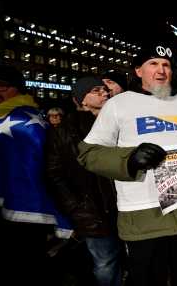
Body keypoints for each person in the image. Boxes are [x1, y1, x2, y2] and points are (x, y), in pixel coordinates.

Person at [77, 41, 177, 286]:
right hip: (142, 213)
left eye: (166, 65)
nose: (161, 70)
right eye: (153, 64)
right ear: (138, 71)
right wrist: (128, 160)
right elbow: (88, 153)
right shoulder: (118, 104)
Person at [45, 76, 122, 286]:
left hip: (123, 207)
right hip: (92, 212)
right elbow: (54, 175)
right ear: (81, 99)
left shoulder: (119, 122)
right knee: (105, 263)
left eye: (104, 89)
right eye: (96, 90)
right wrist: (76, 208)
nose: (104, 93)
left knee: (126, 258)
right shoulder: (63, 132)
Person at [0, 65, 71, 284]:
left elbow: (45, 166)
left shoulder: (27, 121)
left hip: (27, 210)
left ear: (17, 89)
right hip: (6, 205)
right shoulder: (3, 116)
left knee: (25, 263)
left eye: (3, 86)